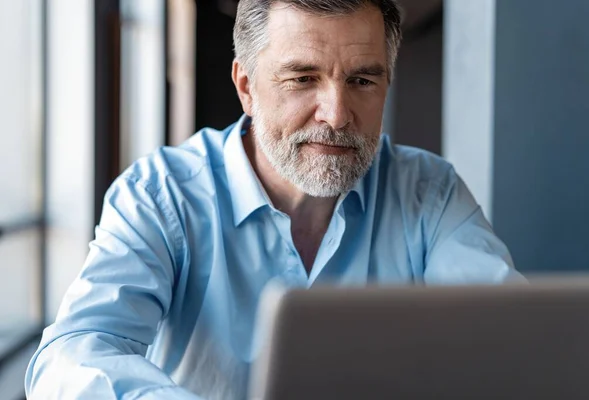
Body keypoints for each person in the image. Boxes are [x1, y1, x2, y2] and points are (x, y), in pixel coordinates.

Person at [25, 1, 523, 399]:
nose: (335, 113)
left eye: (362, 80)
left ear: (386, 84)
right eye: (303, 78)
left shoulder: (428, 193)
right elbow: (70, 357)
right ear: (247, 86)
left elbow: (513, 339)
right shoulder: (161, 196)